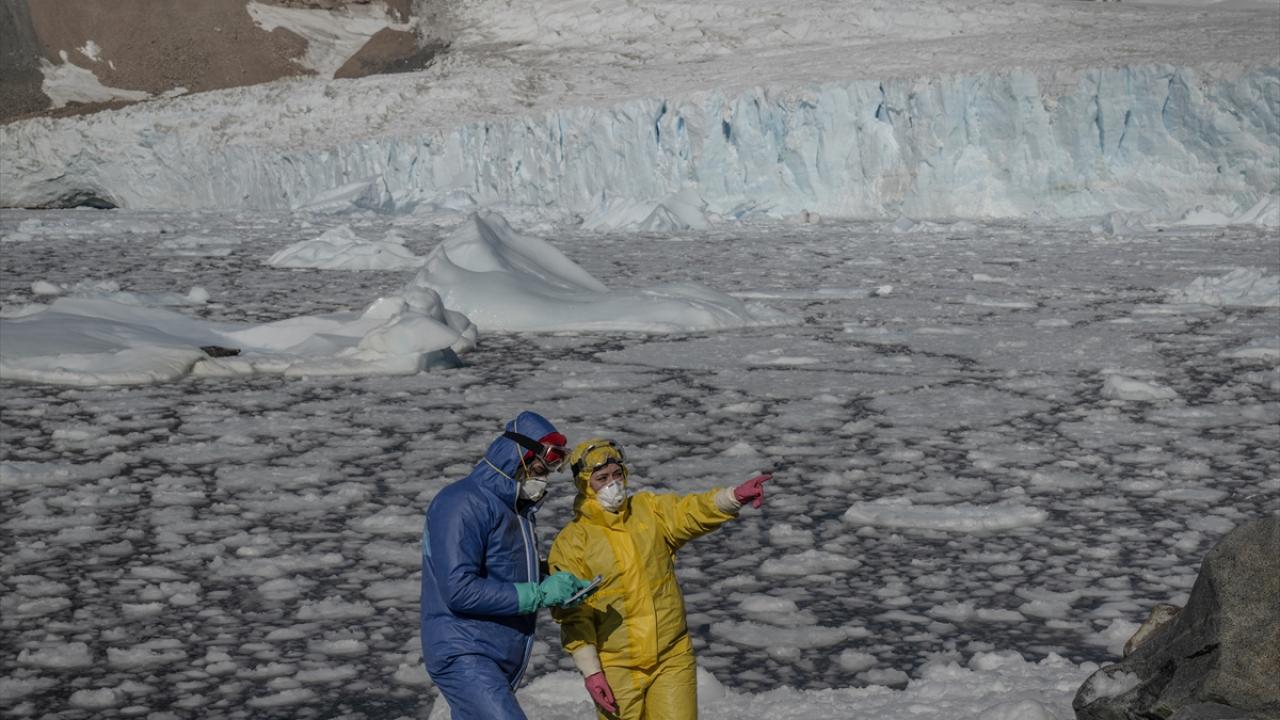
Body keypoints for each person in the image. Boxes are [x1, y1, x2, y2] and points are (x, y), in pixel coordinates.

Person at [548, 438, 771, 720]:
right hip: (616, 666)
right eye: (601, 478)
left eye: (617, 475)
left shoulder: (649, 511)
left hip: (671, 656)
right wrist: (592, 672)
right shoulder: (572, 542)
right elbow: (571, 615)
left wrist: (732, 497)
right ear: (584, 484)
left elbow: (690, 510)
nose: (612, 484)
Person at [420, 411, 594, 720]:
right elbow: (458, 590)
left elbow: (505, 568)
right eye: (540, 468)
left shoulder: (514, 508)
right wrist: (540, 594)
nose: (543, 478)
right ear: (519, 456)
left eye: (549, 472)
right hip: (464, 651)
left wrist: (552, 577)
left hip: (496, 652)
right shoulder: (461, 502)